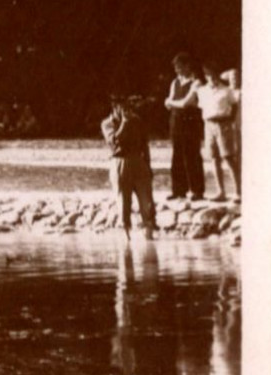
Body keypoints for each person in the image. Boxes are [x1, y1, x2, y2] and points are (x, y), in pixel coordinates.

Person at [102, 94, 158, 241]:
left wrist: (148, 165)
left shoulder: (136, 121)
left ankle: (149, 234)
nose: (125, 110)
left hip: (138, 161)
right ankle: (126, 236)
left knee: (147, 201)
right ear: (114, 107)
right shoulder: (107, 123)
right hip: (119, 162)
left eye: (126, 106)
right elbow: (115, 141)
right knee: (123, 202)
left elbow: (145, 145)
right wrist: (124, 124)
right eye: (121, 106)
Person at [164, 54, 204, 200]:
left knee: (191, 154)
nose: (177, 70)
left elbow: (184, 103)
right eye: (176, 67)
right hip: (176, 121)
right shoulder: (175, 82)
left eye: (180, 66)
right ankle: (178, 190)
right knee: (177, 155)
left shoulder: (196, 82)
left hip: (191, 122)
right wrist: (174, 103)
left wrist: (173, 102)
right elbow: (169, 102)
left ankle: (196, 189)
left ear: (188, 66)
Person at [197, 65, 240, 201]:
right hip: (209, 125)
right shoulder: (202, 91)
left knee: (228, 157)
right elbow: (202, 107)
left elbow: (234, 106)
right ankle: (220, 191)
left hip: (223, 123)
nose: (212, 78)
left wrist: (229, 120)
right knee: (214, 158)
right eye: (209, 75)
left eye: (214, 75)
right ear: (205, 76)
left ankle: (239, 191)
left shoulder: (226, 91)